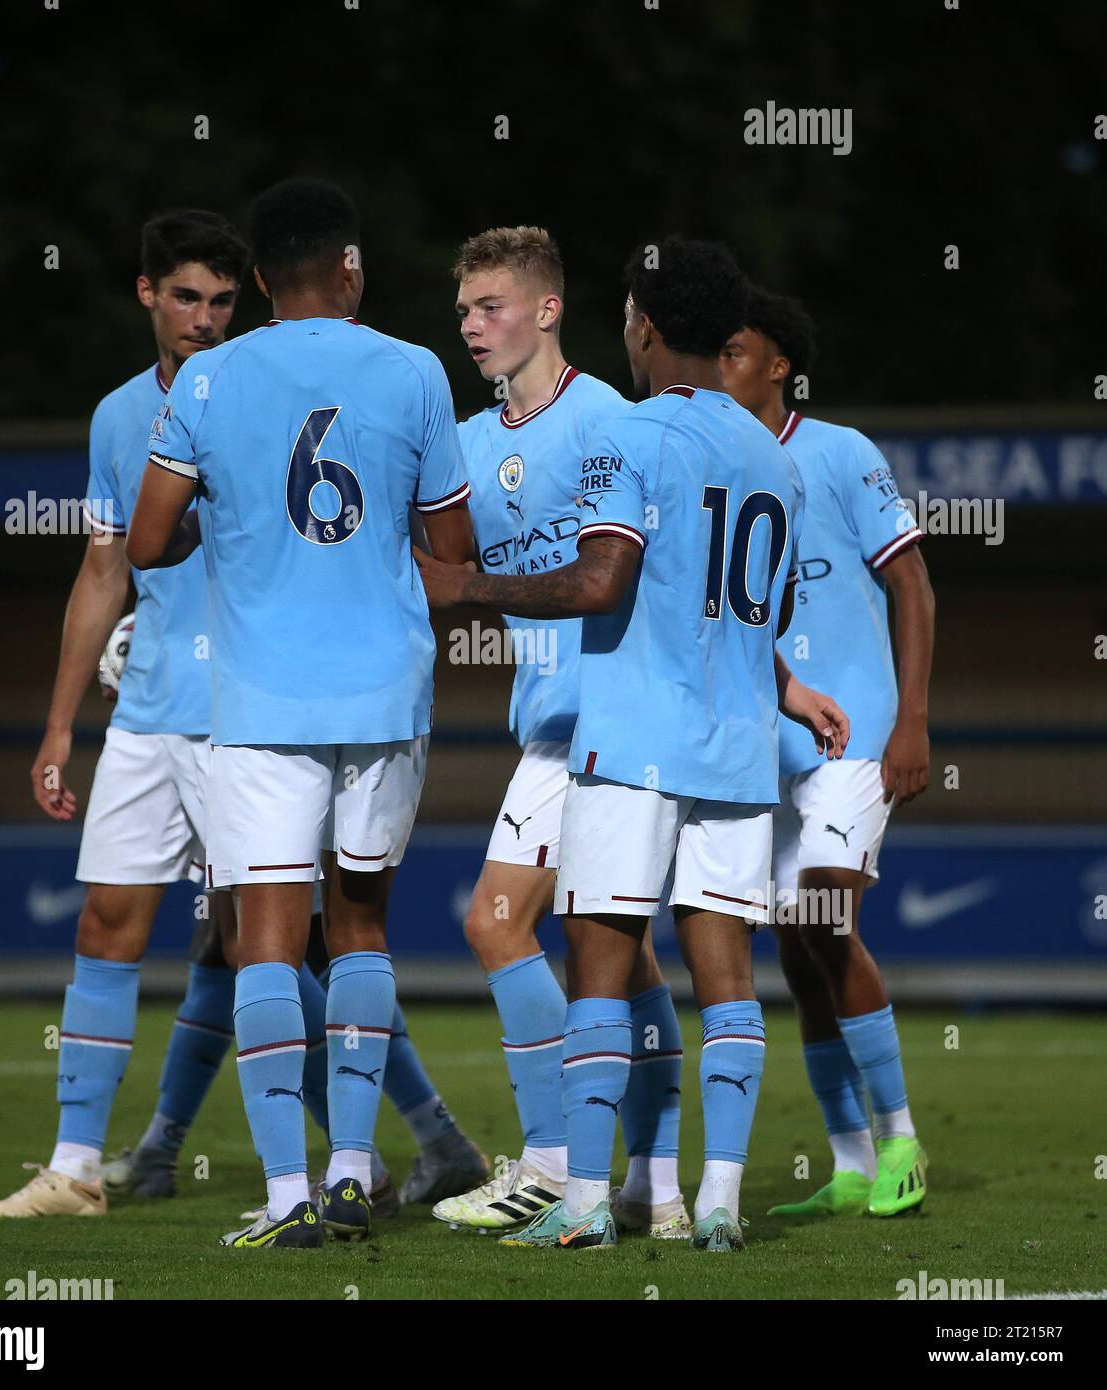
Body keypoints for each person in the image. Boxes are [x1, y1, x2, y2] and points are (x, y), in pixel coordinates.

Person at [418, 237, 849, 1250]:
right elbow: (766, 607)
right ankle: (709, 1202)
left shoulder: (629, 434)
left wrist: (466, 586)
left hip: (629, 737)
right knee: (727, 977)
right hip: (736, 751)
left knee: (599, 962)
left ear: (641, 327)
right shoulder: (769, 452)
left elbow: (599, 581)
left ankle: (577, 1203)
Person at [128, 178, 475, 1250]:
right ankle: (356, 1169)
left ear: (261, 279)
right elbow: (454, 552)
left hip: (261, 698)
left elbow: (147, 542)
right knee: (361, 928)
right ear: (353, 268)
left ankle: (285, 1200)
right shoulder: (415, 369)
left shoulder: (205, 378)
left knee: (265, 945)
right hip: (381, 693)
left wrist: (223, 535)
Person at [0, 210, 246, 1219]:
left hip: (249, 718)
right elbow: (101, 570)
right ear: (146, 295)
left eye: (222, 301)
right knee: (108, 921)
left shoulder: (261, 402)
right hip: (148, 714)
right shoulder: (117, 416)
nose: (204, 319)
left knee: (281, 943)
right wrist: (57, 727)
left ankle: (391, 1147)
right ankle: (75, 1167)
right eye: (186, 296)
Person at [431, 226, 688, 1239]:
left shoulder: (608, 423)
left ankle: (546, 1161)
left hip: (612, 721)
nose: (469, 326)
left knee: (497, 921)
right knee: (620, 956)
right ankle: (655, 1187)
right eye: (459, 311)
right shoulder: (464, 442)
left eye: (488, 306)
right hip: (545, 727)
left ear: (545, 310)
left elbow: (628, 578)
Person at [719, 289, 933, 1218]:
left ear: (777, 364)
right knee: (799, 952)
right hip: (761, 750)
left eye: (735, 352)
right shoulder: (715, 463)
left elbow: (913, 587)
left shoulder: (841, 452)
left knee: (826, 921)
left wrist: (915, 720)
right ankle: (848, 1164)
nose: (719, 366)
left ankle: (902, 1143)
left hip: (856, 734)